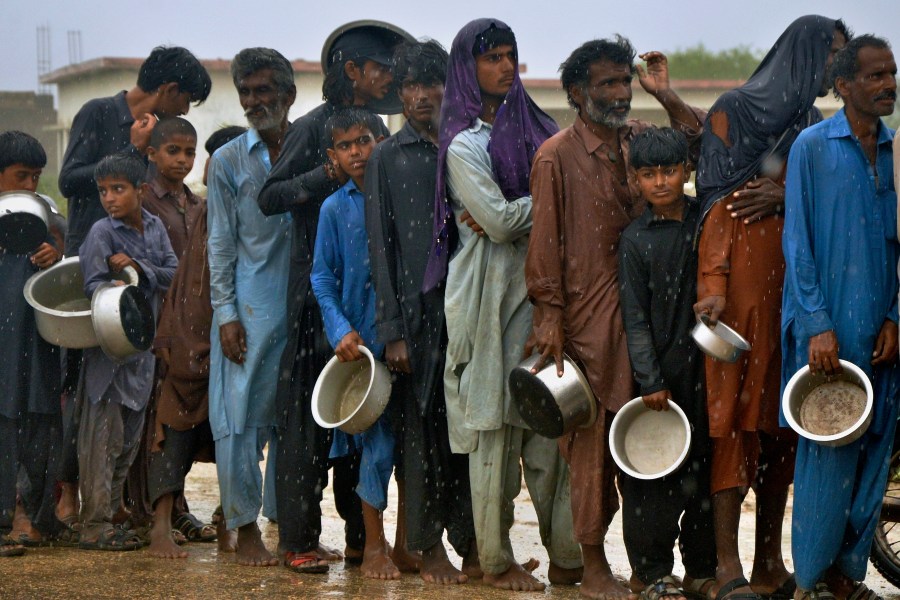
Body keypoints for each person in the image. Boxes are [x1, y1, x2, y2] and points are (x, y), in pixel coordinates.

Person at [525, 37, 704, 600]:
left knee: (650, 443)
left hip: (653, 324)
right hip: (587, 324)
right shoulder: (555, 155)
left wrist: (666, 94)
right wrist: (549, 317)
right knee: (590, 450)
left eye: (624, 82)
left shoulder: (642, 144)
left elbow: (701, 147)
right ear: (577, 93)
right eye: (606, 84)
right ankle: (593, 562)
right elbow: (544, 245)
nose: (620, 93)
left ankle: (654, 564)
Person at [422, 18, 584, 593]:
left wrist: (521, 208)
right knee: (493, 432)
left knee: (549, 435)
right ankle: (494, 562)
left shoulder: (536, 129)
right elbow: (494, 221)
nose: (505, 66)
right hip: (487, 305)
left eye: (510, 55)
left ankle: (568, 556)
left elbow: (511, 215)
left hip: (543, 303)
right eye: (491, 58)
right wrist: (547, 196)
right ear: (468, 68)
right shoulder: (464, 146)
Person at [693, 16, 849, 600]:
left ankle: (767, 564)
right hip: (736, 297)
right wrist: (711, 283)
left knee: (783, 431)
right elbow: (713, 204)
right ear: (805, 53)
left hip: (796, 299)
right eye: (833, 53)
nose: (839, 65)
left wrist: (786, 194)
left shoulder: (815, 125)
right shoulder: (735, 109)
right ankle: (728, 565)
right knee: (732, 428)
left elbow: (825, 202)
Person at [257, 21, 411, 570]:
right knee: (306, 422)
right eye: (383, 70)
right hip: (314, 302)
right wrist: (329, 170)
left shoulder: (383, 131)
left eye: (361, 144)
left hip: (374, 310)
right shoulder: (314, 129)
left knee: (361, 416)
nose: (391, 80)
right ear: (352, 70)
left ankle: (358, 541)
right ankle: (298, 541)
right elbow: (269, 196)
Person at [55, 45, 210, 529]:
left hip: (138, 287)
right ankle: (70, 499)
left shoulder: (162, 190)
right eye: (184, 103)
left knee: (132, 397)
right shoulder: (99, 113)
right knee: (85, 392)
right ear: (167, 91)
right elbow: (70, 178)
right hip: (93, 268)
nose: (181, 116)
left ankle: (124, 502)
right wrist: (131, 152)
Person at [782, 35, 898, 600]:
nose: (888, 86)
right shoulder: (812, 146)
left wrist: (897, 317)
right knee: (828, 455)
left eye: (893, 74)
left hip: (884, 332)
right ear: (845, 85)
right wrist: (816, 324)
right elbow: (797, 242)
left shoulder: (897, 150)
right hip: (829, 330)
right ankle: (810, 581)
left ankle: (848, 578)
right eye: (875, 76)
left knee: (876, 458)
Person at [365, 39, 477, 585]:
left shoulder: (467, 144)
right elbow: (381, 249)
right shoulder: (388, 156)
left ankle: (476, 548)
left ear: (449, 86)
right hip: (414, 319)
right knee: (421, 438)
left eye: (429, 84)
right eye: (408, 87)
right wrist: (392, 333)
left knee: (469, 433)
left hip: (469, 311)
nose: (418, 96)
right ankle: (430, 550)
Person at [617, 127, 717, 600]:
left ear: (687, 171)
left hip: (709, 374)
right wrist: (649, 379)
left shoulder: (707, 220)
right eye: (649, 174)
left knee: (705, 476)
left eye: (670, 171)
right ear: (635, 180)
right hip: (662, 378)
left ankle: (701, 568)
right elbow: (634, 317)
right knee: (653, 481)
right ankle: (653, 572)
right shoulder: (635, 240)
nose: (661, 182)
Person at [206, 47, 295, 567]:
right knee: (238, 422)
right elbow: (220, 243)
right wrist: (226, 316)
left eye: (264, 90)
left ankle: (287, 527)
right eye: (247, 92)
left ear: (289, 94)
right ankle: (243, 529)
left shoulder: (309, 148)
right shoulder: (229, 160)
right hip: (249, 309)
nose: (255, 100)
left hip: (301, 304)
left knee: (291, 423)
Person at [146, 126, 246, 560]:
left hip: (234, 328)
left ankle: (233, 517)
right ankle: (160, 525)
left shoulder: (245, 203)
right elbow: (189, 276)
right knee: (174, 422)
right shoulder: (205, 209)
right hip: (192, 325)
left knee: (236, 427)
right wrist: (173, 332)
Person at [311, 108, 400, 578]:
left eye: (364, 140)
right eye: (345, 146)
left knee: (412, 448)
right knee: (373, 446)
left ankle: (406, 545)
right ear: (333, 155)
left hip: (404, 340)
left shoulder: (401, 195)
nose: (357, 152)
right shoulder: (333, 208)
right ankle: (373, 547)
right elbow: (322, 278)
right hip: (358, 346)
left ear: (382, 140)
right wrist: (339, 328)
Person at [76, 153, 177, 551]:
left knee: (129, 438)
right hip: (110, 350)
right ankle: (93, 523)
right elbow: (93, 287)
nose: (109, 199)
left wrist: (138, 266)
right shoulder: (102, 232)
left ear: (141, 190)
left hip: (142, 348)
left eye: (118, 189)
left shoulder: (155, 227)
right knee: (102, 437)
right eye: (103, 191)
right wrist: (119, 280)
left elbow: (173, 271)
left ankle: (113, 510)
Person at [125, 116, 208, 543]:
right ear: (152, 154)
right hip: (152, 323)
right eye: (172, 151)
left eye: (189, 152)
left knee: (180, 421)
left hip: (187, 328)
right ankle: (142, 508)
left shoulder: (196, 204)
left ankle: (177, 507)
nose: (181, 160)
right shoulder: (142, 201)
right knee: (153, 422)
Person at [0, 131, 64, 557]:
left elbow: (65, 252)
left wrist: (53, 254)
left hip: (36, 342)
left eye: (35, 177)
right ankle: (10, 515)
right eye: (20, 176)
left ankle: (36, 513)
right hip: (3, 343)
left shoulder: (46, 215)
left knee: (40, 421)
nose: (29, 186)